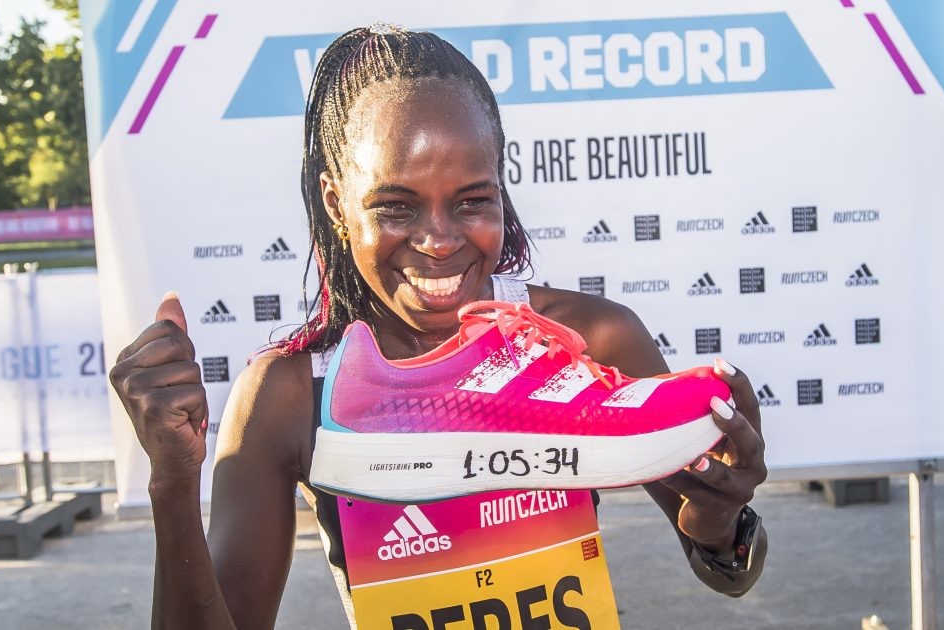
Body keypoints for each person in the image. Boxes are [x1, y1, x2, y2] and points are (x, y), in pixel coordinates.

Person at [109, 25, 768, 629]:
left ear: (500, 186)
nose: (439, 241)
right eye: (396, 207)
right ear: (336, 202)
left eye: (472, 201)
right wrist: (172, 485)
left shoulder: (596, 339)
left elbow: (732, 573)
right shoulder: (289, 394)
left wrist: (719, 524)